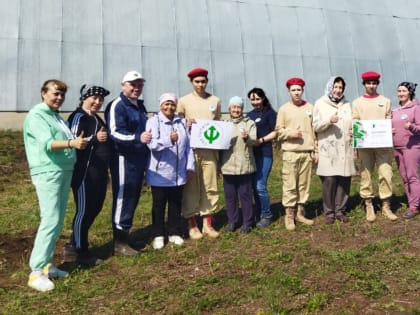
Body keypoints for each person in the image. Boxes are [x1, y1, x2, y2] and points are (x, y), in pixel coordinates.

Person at [23, 79, 88, 292]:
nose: (59, 98)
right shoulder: (37, 115)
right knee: (50, 218)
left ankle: (48, 265)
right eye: (55, 93)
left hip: (62, 170)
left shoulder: (55, 116)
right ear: (43, 93)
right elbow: (47, 144)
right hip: (48, 171)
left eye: (62, 95)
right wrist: (72, 143)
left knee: (58, 219)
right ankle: (36, 272)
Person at [105, 71, 152, 256]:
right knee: (123, 196)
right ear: (123, 85)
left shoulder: (139, 105)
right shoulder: (118, 105)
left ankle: (126, 234)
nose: (136, 88)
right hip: (123, 158)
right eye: (132, 84)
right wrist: (137, 138)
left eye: (140, 84)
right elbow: (114, 133)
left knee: (133, 195)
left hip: (138, 158)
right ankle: (119, 242)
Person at [64, 84, 111, 266]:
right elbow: (75, 141)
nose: (98, 102)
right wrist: (94, 139)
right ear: (85, 98)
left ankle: (75, 242)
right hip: (84, 174)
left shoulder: (96, 118)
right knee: (83, 211)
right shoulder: (78, 116)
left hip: (98, 173)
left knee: (95, 208)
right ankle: (80, 252)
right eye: (94, 98)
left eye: (100, 99)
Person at [146, 93, 195, 249]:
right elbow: (151, 144)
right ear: (160, 105)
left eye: (172, 104)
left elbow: (188, 145)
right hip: (160, 173)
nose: (169, 107)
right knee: (158, 205)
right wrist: (169, 140)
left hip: (178, 173)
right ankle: (158, 234)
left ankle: (174, 232)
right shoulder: (153, 122)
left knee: (175, 204)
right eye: (166, 104)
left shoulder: (181, 123)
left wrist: (189, 166)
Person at [177, 67, 221, 239]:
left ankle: (208, 223)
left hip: (209, 150)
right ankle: (192, 224)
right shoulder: (183, 101)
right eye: (197, 81)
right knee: (192, 186)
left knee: (210, 184)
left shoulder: (215, 100)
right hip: (191, 150)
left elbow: (217, 123)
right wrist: (185, 122)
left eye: (203, 81)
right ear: (191, 82)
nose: (200, 84)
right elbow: (177, 121)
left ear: (207, 82)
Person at [352, 71, 397, 222]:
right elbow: (355, 122)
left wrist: (389, 130)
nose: (371, 86)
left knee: (386, 173)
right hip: (365, 146)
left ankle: (385, 205)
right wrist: (355, 139)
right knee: (366, 175)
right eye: (368, 83)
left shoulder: (385, 101)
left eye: (374, 83)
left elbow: (388, 119)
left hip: (382, 145)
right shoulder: (357, 102)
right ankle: (369, 204)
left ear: (377, 84)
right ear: (364, 84)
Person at [313, 76, 356, 224]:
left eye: (340, 88)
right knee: (329, 180)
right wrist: (328, 121)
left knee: (344, 179)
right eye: (335, 87)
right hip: (328, 148)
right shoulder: (320, 103)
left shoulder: (347, 105)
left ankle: (340, 210)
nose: (338, 90)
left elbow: (353, 123)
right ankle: (329, 212)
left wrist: (353, 131)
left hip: (345, 147)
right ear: (330, 87)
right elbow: (316, 126)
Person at [276, 77, 317, 231]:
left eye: (299, 90)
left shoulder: (311, 108)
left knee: (304, 185)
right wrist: (290, 133)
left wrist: (315, 150)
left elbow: (315, 131)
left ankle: (300, 212)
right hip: (290, 152)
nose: (296, 93)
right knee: (290, 184)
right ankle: (289, 215)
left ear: (303, 90)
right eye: (293, 90)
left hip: (306, 152)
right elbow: (278, 131)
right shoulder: (284, 109)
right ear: (289, 91)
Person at [220, 96, 257, 233]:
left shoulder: (249, 123)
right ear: (229, 109)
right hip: (228, 165)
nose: (236, 110)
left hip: (244, 165)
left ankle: (248, 222)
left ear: (242, 109)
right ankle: (233, 221)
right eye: (233, 107)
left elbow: (254, 141)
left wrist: (247, 137)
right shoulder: (224, 124)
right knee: (230, 196)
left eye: (239, 107)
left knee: (245, 195)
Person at [247, 88, 278, 228]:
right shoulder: (249, 115)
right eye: (252, 99)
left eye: (257, 99)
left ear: (263, 98)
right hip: (252, 155)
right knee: (254, 186)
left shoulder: (270, 114)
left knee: (260, 185)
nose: (255, 102)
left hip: (265, 154)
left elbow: (275, 132)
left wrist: (262, 140)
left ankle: (267, 214)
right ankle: (258, 212)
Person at [392, 81, 420, 219]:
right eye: (399, 91)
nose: (401, 94)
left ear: (410, 92)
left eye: (403, 91)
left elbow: (419, 128)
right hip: (397, 148)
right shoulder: (395, 110)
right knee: (404, 177)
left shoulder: (416, 108)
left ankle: (415, 207)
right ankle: (412, 202)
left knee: (412, 176)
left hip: (411, 147)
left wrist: (411, 127)